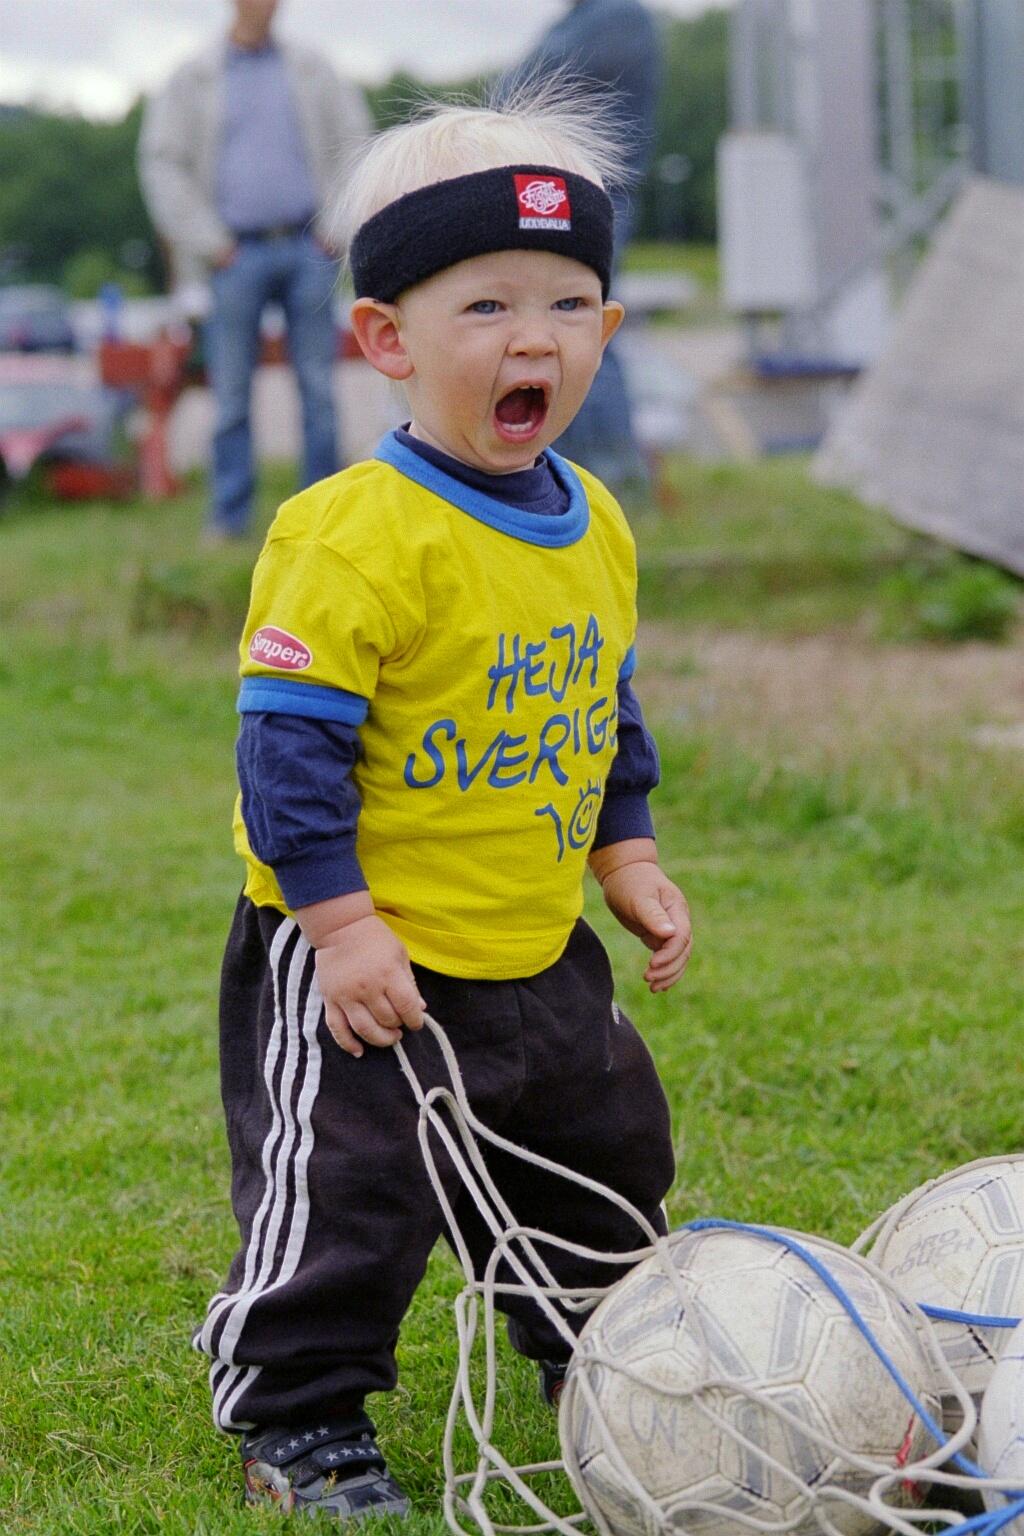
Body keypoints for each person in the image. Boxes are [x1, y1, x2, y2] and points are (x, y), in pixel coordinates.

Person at [194, 84, 692, 1521]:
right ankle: (298, 1415)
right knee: (351, 1198)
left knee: (601, 1159)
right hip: (372, 956)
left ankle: (603, 1357)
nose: (533, 337)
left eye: (569, 302)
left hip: (537, 945)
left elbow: (601, 699)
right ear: (385, 341)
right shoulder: (352, 534)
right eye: (485, 307)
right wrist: (343, 930)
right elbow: (284, 756)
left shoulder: (593, 516)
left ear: (605, 328)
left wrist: (628, 849)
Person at [137, 0, 372, 540]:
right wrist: (210, 243)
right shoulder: (193, 77)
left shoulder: (314, 68)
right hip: (233, 255)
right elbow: (162, 162)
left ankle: (324, 519)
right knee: (231, 394)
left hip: (308, 247)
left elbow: (355, 141)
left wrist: (335, 226)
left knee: (318, 387)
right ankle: (228, 517)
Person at [500, 0, 662, 497]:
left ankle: (615, 479)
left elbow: (519, 91)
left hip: (592, 198)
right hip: (566, 196)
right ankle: (573, 478)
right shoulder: (581, 19)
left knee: (584, 332)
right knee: (565, 328)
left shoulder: (617, 17)